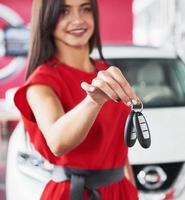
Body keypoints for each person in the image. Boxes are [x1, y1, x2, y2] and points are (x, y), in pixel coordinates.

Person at [13, 0, 139, 199]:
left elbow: (120, 150)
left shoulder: (106, 71)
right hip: (73, 194)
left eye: (86, 9)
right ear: (47, 19)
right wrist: (93, 101)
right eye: (64, 11)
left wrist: (132, 190)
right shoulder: (41, 83)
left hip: (120, 191)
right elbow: (57, 142)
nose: (78, 19)